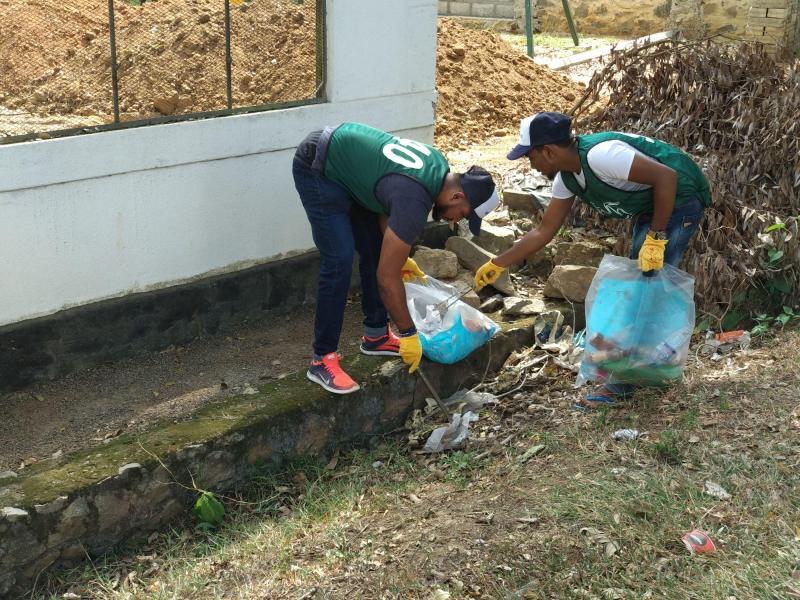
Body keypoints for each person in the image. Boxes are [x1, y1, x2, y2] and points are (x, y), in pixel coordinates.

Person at [474, 112, 711, 410]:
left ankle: (626, 380)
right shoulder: (568, 178)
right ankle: (643, 368)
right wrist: (499, 262)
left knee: (646, 286)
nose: (532, 166)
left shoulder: (602, 156)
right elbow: (544, 230)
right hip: (655, 206)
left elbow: (667, 176)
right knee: (644, 283)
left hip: (680, 198)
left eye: (530, 157)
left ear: (548, 151)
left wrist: (657, 236)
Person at [293, 122, 499, 394]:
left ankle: (376, 336)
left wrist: (399, 258)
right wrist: (408, 333)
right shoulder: (416, 199)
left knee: (376, 250)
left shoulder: (437, 168)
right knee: (339, 258)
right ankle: (322, 359)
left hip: (347, 166)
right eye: (462, 214)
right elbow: (386, 280)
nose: (454, 222)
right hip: (318, 163)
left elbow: (387, 200)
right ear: (457, 195)